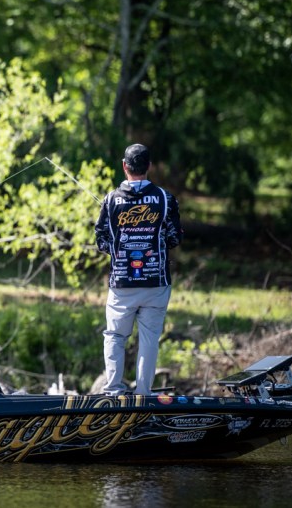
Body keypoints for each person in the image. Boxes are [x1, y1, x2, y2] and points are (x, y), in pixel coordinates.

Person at [94, 143, 183, 396]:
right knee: (149, 339)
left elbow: (101, 239)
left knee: (115, 336)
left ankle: (113, 391)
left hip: (122, 283)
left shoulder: (110, 200)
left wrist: (118, 249)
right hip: (156, 283)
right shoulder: (165, 199)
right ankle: (143, 393)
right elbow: (175, 238)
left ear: (124, 166)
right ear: (149, 167)